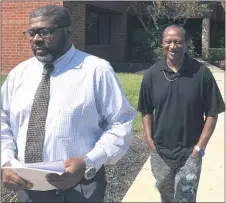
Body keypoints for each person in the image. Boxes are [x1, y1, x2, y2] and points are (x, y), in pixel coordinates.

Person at [1, 5, 135, 202]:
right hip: (28, 187)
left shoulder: (96, 71)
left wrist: (88, 162)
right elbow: (3, 122)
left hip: (79, 187)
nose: (37, 39)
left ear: (68, 32)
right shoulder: (18, 75)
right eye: (32, 32)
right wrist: (5, 161)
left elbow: (121, 123)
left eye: (45, 31)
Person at [137, 24, 225, 202]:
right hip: (160, 152)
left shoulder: (201, 73)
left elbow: (212, 113)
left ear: (186, 45)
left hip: (189, 153)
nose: (172, 46)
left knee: (185, 199)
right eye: (168, 41)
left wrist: (199, 148)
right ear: (162, 44)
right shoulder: (152, 74)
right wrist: (149, 140)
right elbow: (146, 110)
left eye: (177, 42)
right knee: (166, 196)